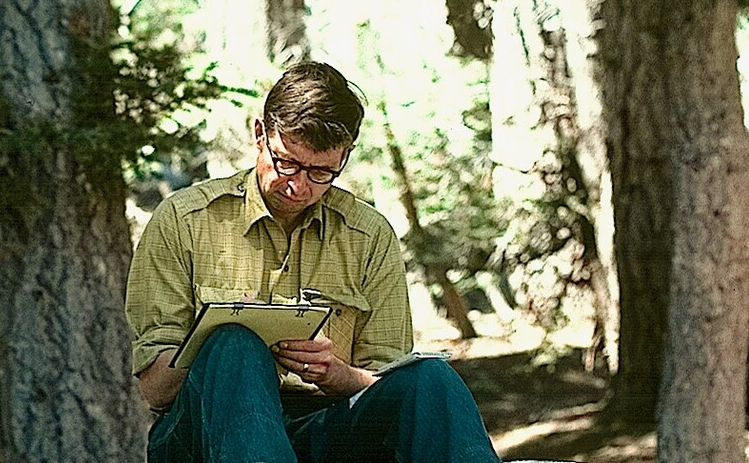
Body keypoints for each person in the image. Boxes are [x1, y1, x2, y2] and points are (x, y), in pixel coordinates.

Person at [125, 61, 501, 462]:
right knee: (234, 345)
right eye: (286, 162)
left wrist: (334, 373)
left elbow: (388, 385)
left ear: (344, 158)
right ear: (259, 134)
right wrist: (223, 342)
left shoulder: (368, 236)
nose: (298, 186)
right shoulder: (184, 221)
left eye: (322, 172)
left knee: (430, 380)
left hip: (321, 425)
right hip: (203, 433)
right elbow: (155, 390)